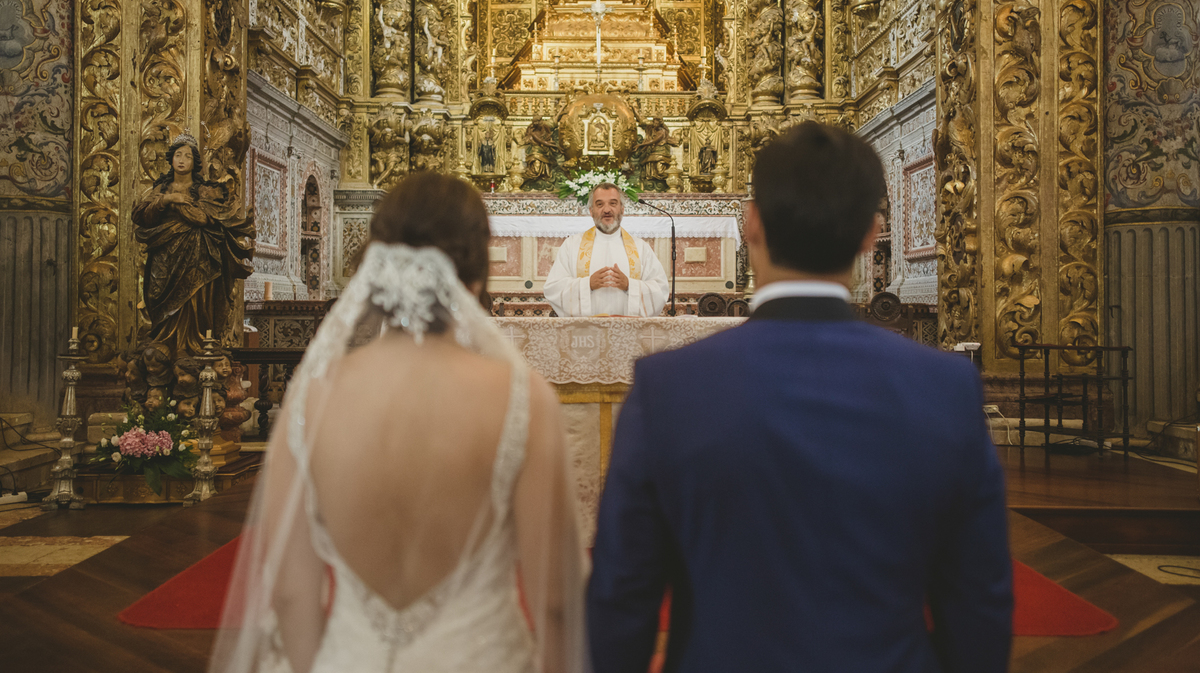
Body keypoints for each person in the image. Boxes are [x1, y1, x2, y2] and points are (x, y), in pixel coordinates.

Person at [587, 122, 1012, 673]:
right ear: (870, 232)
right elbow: (978, 601)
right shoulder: (946, 387)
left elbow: (624, 596)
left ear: (751, 224)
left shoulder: (669, 388)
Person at [209, 173, 590, 673]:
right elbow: (557, 601)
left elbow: (289, 591)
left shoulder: (313, 394)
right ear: (474, 274)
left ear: (377, 265)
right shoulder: (520, 398)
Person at [132, 132, 254, 359]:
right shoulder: (161, 190)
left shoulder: (207, 190)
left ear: (194, 162)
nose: (181, 160)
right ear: (171, 159)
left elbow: (209, 218)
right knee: (160, 297)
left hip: (197, 256)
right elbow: (139, 215)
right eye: (177, 155)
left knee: (194, 300)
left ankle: (193, 345)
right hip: (164, 255)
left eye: (187, 156)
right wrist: (169, 200)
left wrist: (183, 208)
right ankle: (164, 342)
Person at [543, 183, 669, 317]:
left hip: (628, 333)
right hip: (586, 334)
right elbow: (553, 288)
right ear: (591, 211)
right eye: (599, 204)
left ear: (622, 209)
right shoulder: (572, 245)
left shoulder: (640, 247)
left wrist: (629, 285)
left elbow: (660, 290)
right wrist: (588, 284)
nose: (607, 209)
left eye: (613, 203)